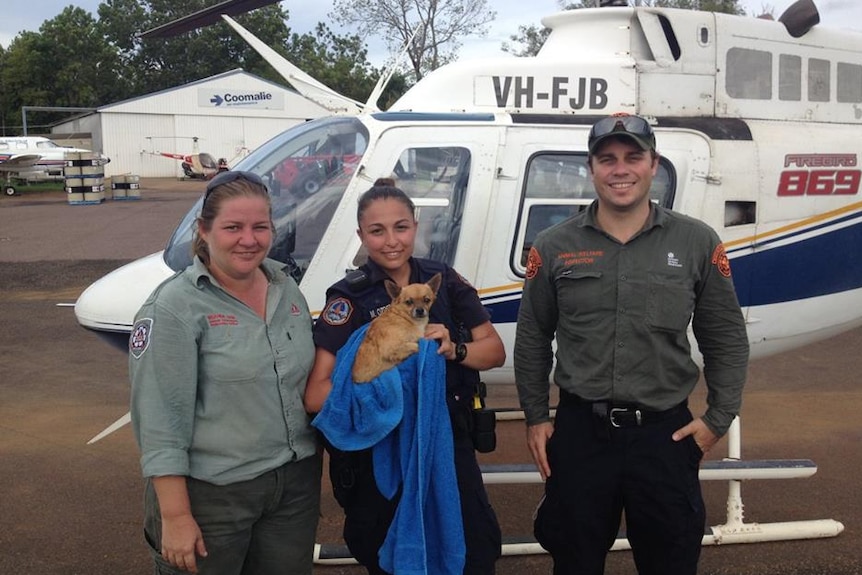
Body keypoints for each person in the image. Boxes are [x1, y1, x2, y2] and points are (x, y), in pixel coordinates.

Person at [514, 113, 749, 575]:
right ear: (591, 168)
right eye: (607, 159)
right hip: (581, 434)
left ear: (653, 163)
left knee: (671, 562)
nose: (620, 169)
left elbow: (724, 335)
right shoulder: (554, 245)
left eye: (632, 157)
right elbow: (533, 335)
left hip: (665, 435)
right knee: (575, 561)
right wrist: (536, 416)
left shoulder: (696, 241)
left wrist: (718, 419)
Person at [304, 177, 506, 575]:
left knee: (473, 553)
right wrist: (381, 394)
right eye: (376, 231)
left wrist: (454, 350)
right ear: (361, 235)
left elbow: (494, 351)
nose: (391, 240)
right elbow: (316, 394)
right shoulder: (349, 297)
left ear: (415, 226)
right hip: (383, 450)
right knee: (390, 557)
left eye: (401, 227)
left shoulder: (443, 281)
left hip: (447, 440)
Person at [129, 170, 321, 575]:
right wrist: (177, 517)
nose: (249, 240)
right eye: (233, 227)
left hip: (292, 487)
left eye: (260, 227)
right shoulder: (174, 308)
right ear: (204, 229)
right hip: (212, 496)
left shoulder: (286, 287)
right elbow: (160, 422)